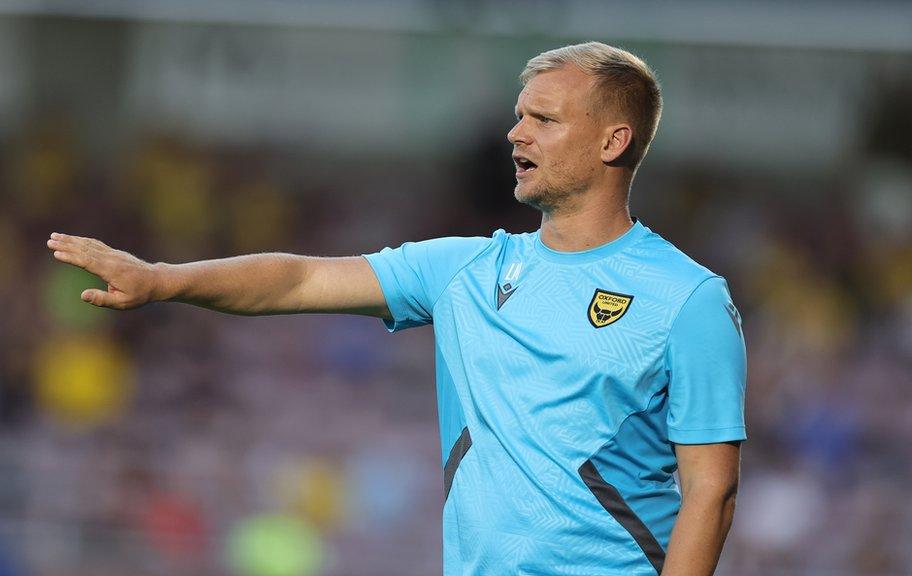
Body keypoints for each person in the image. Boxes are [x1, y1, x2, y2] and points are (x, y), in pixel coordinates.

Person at [48, 41, 746, 576]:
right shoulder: (465, 270)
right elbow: (295, 281)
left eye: (544, 118)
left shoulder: (687, 300)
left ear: (613, 141)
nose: (515, 133)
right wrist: (163, 279)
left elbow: (710, 491)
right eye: (518, 115)